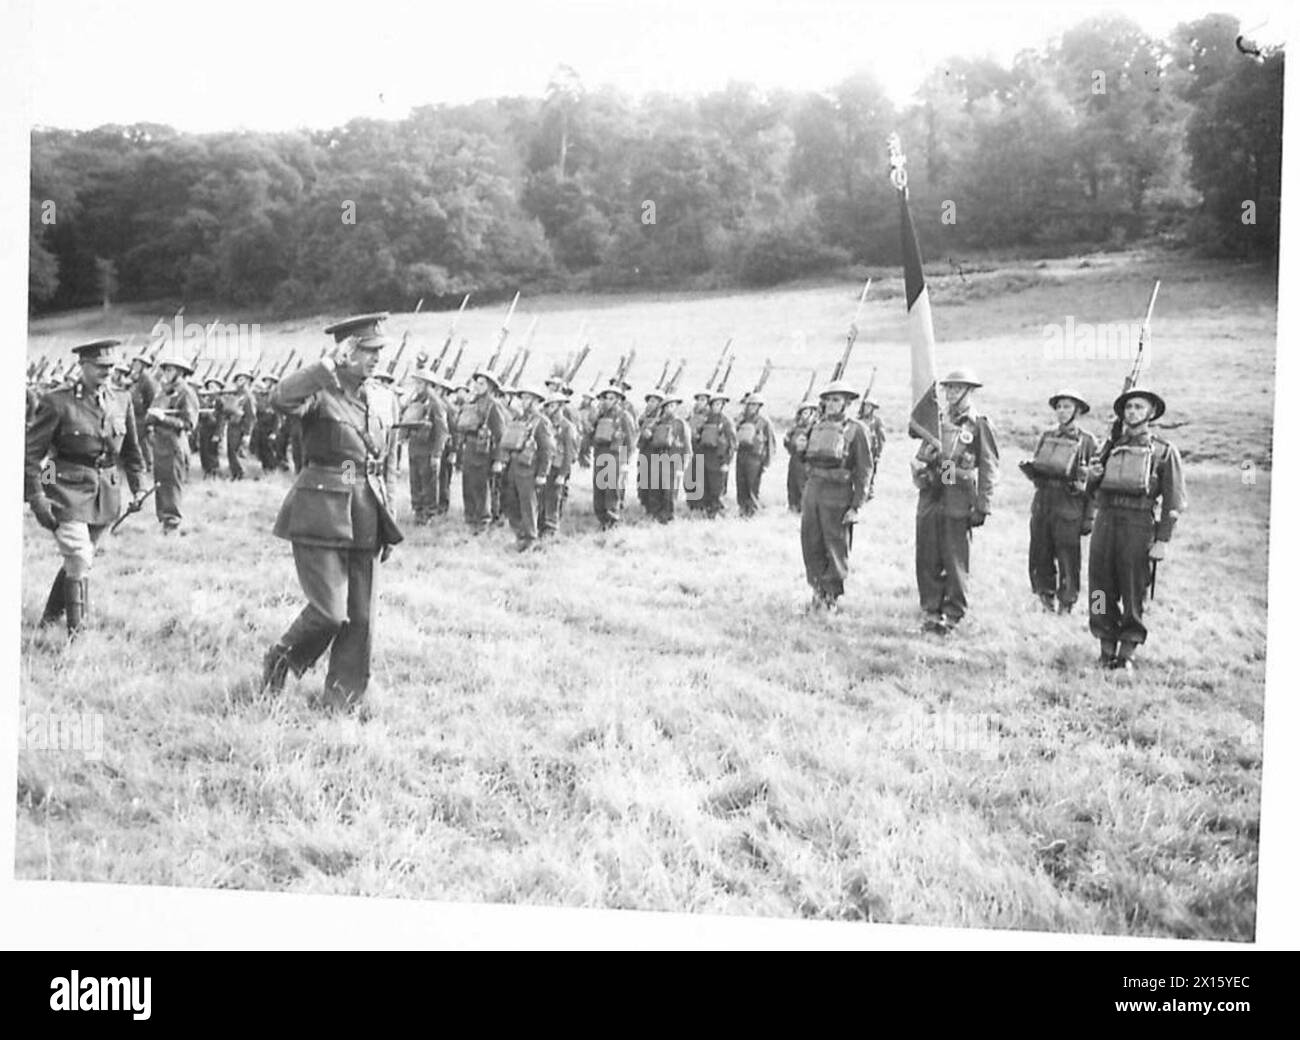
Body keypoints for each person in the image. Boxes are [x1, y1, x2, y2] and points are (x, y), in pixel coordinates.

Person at [260, 315, 402, 713]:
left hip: (367, 512)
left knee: (360, 616)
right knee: (329, 613)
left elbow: (386, 463)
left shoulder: (382, 398)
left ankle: (342, 702)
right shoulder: (320, 392)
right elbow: (281, 399)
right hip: (320, 511)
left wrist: (388, 514)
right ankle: (281, 658)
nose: (376, 359)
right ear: (345, 351)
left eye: (379, 351)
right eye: (367, 351)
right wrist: (324, 367)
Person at [24, 339, 147, 636]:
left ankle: (50, 618)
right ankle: (77, 634)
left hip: (106, 492)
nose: (107, 372)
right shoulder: (57, 401)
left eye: (111, 367)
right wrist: (40, 496)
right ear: (83, 366)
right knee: (79, 556)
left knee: (80, 559)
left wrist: (138, 486)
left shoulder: (121, 400)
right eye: (100, 366)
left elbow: (131, 450)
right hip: (65, 490)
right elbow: (36, 454)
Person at [1085, 387, 1187, 670]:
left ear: (1151, 413)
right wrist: (1092, 478)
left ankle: (1127, 652)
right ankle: (1105, 647)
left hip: (1138, 524)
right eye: (1128, 407)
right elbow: (1090, 491)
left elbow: (1174, 501)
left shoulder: (1164, 452)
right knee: (1099, 589)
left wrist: (1162, 540)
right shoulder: (1108, 448)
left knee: (1133, 589)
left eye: (1139, 407)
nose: (1132, 412)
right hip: (1105, 521)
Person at [911, 368, 1000, 634]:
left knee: (954, 558)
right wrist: (921, 469)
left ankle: (952, 615)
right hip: (931, 494)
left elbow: (988, 466)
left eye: (957, 389)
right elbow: (923, 454)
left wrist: (983, 505)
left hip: (957, 497)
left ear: (969, 392)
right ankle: (930, 610)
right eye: (948, 388)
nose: (951, 393)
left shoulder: (978, 424)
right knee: (927, 555)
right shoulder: (936, 421)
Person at [1019, 390, 1098, 613]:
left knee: (1067, 557)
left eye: (1067, 407)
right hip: (1044, 501)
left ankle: (1067, 601)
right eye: (1059, 407)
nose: (1062, 411)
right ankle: (1045, 598)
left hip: (1069, 504)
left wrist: (1089, 516)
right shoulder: (1047, 436)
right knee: (1040, 552)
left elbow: (1094, 484)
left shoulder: (1088, 441)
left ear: (1078, 411)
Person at [798, 380, 874, 611]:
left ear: (847, 403)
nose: (831, 405)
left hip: (838, 493)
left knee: (835, 543)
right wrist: (798, 446)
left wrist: (856, 505)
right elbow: (804, 456)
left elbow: (864, 469)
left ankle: (831, 595)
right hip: (814, 489)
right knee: (811, 541)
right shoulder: (816, 426)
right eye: (828, 400)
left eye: (836, 400)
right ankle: (817, 591)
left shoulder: (856, 430)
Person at [494, 384, 555, 552]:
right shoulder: (519, 419)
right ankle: (519, 535)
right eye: (524, 397)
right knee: (511, 502)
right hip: (514, 466)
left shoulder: (541, 423)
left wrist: (543, 473)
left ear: (536, 401)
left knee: (528, 504)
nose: (525, 401)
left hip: (529, 469)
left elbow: (547, 449)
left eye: (528, 398)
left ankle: (530, 538)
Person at [146, 350, 201, 533]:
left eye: (170, 370)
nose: (166, 374)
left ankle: (172, 523)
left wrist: (162, 418)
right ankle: (163, 520)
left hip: (175, 445)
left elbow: (189, 423)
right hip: (160, 444)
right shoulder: (164, 392)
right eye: (165, 370)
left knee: (172, 484)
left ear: (180, 372)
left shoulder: (186, 393)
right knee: (161, 483)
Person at [454, 369, 507, 533]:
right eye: (476, 382)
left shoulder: (493, 406)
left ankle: (483, 522)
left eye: (482, 383)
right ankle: (470, 519)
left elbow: (500, 435)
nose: (477, 386)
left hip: (484, 453)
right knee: (468, 485)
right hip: (469, 449)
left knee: (482, 488)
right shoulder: (472, 403)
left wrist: (498, 460)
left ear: (490, 386)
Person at [582, 386, 638, 531]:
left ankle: (612, 520)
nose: (607, 401)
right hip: (600, 454)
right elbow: (591, 435)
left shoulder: (624, 416)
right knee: (599, 488)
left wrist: (626, 461)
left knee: (612, 490)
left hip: (616, 456)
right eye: (605, 398)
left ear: (618, 400)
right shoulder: (600, 416)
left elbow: (631, 441)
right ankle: (602, 519)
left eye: (611, 398)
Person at [399, 368, 450, 524]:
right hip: (415, 447)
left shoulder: (435, 402)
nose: (417, 385)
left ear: (428, 384)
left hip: (428, 449)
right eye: (416, 382)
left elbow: (442, 430)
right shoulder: (415, 400)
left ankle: (428, 514)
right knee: (415, 482)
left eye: (420, 382)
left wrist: (437, 453)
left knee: (428, 484)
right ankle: (418, 511)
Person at [641, 391, 692, 523]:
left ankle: (668, 518)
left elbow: (687, 447)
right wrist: (647, 432)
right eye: (667, 406)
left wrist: (684, 464)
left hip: (673, 461)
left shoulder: (680, 423)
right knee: (655, 489)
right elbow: (646, 436)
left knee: (669, 492)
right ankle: (655, 515)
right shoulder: (657, 423)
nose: (669, 409)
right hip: (657, 458)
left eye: (672, 406)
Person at [540, 392, 578, 538]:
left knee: (554, 499)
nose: (550, 409)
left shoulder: (567, 427)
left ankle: (551, 529)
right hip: (547, 466)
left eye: (553, 406)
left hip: (558, 467)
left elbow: (569, 452)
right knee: (543, 498)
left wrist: (563, 474)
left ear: (560, 407)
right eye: (548, 406)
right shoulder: (547, 424)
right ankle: (542, 526)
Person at [734, 392, 777, 517]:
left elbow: (770, 442)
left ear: (759, 406)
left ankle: (752, 512)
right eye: (749, 405)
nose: (751, 407)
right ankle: (742, 510)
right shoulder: (741, 419)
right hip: (741, 455)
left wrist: (767, 461)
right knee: (741, 484)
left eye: (755, 405)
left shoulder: (764, 422)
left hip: (755, 458)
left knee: (752, 486)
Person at [697, 390, 737, 518]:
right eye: (714, 404)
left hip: (719, 459)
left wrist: (726, 461)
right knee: (706, 487)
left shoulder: (726, 422)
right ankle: (708, 511)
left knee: (717, 489)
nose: (716, 407)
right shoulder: (706, 420)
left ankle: (718, 513)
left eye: (719, 404)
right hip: (705, 458)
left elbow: (732, 443)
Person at [220, 368, 256, 480]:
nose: (240, 382)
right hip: (232, 426)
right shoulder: (234, 395)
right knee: (231, 451)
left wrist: (247, 433)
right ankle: (234, 473)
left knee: (237, 452)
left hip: (241, 427)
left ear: (248, 381)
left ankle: (240, 474)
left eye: (243, 379)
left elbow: (251, 416)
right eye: (238, 379)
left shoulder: (248, 396)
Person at [784, 401, 818, 512]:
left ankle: (804, 510)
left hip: (806, 461)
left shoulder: (814, 428)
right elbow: (787, 441)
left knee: (803, 485)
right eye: (803, 412)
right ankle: (793, 507)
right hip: (794, 459)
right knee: (791, 484)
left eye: (807, 412)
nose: (805, 415)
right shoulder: (795, 428)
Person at [128, 353, 159, 473]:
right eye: (134, 363)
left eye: (137, 364)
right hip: (137, 414)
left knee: (143, 441)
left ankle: (148, 464)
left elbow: (151, 399)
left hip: (143, 415)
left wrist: (148, 414)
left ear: (143, 365)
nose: (134, 366)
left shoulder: (147, 379)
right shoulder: (138, 378)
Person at [196, 376, 226, 478]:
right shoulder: (205, 400)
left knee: (212, 452)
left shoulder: (220, 401)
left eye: (213, 387)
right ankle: (206, 470)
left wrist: (218, 433)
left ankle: (214, 472)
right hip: (204, 429)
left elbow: (221, 419)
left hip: (214, 430)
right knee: (204, 450)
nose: (210, 389)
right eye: (209, 387)